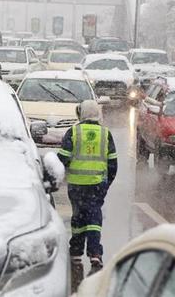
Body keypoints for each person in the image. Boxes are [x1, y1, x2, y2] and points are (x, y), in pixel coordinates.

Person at [57, 100, 118, 292]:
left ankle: (75, 250)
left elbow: (62, 158)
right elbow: (113, 164)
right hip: (97, 185)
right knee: (94, 217)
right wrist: (106, 184)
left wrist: (59, 174)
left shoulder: (73, 132)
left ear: (81, 113)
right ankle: (95, 253)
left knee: (78, 217)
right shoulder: (105, 134)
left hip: (76, 185)